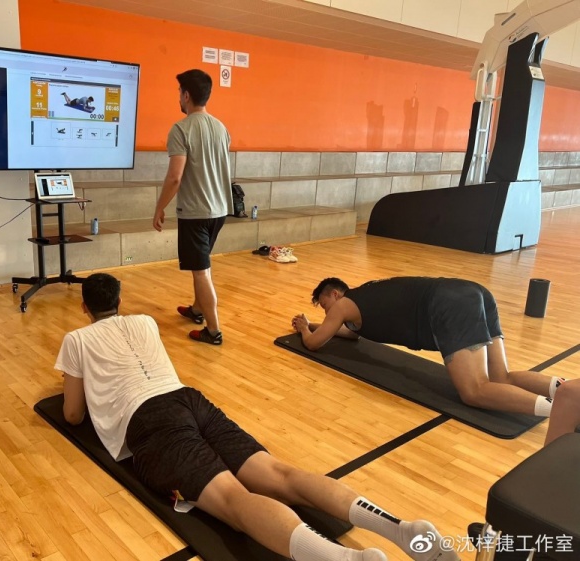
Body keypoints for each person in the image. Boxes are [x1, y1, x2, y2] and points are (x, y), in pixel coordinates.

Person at [56, 273, 459, 561]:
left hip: (150, 420)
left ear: (84, 306)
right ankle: (402, 529)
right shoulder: (143, 321)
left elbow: (72, 414)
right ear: (120, 301)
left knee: (235, 502)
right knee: (281, 475)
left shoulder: (76, 338)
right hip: (190, 400)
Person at [292, 277, 566, 419]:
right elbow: (350, 335)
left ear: (335, 294)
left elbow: (314, 344)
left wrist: (304, 329)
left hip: (447, 303)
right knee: (501, 378)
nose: (327, 313)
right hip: (473, 292)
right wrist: (316, 324)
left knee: (474, 391)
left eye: (324, 306)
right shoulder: (365, 298)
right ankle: (567, 391)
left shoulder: (342, 305)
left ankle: (563, 409)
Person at [153, 69, 232, 345]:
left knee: (201, 271)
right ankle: (198, 309)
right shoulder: (221, 128)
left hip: (196, 213)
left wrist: (159, 207)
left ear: (186, 95)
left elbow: (175, 176)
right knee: (202, 265)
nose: (178, 97)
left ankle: (213, 331)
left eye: (179, 92)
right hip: (219, 210)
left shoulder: (181, 129)